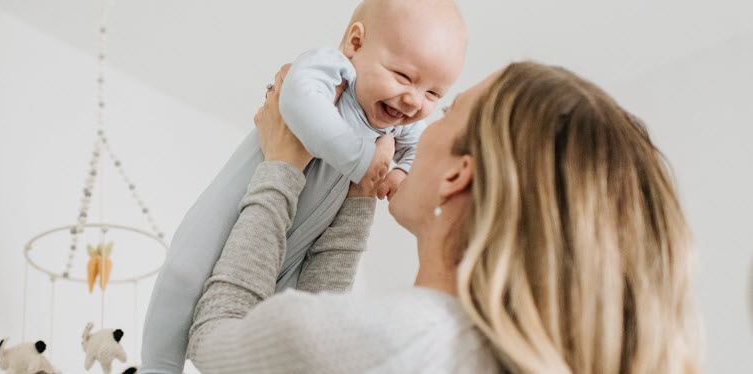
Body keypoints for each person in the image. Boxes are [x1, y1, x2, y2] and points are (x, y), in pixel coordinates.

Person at [186, 61, 703, 373]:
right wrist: (357, 194)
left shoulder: (395, 339)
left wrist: (280, 167)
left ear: (458, 175)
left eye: (447, 108)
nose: (419, 117)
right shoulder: (495, 354)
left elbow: (215, 337)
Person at [140, 1, 467, 372]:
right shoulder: (330, 71)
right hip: (235, 214)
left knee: (280, 318)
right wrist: (363, 160)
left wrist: (400, 173)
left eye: (433, 95)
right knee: (184, 274)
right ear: (356, 45)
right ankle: (158, 366)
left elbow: (415, 146)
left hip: (295, 248)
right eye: (404, 76)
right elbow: (296, 101)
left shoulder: (397, 124)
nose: (413, 100)